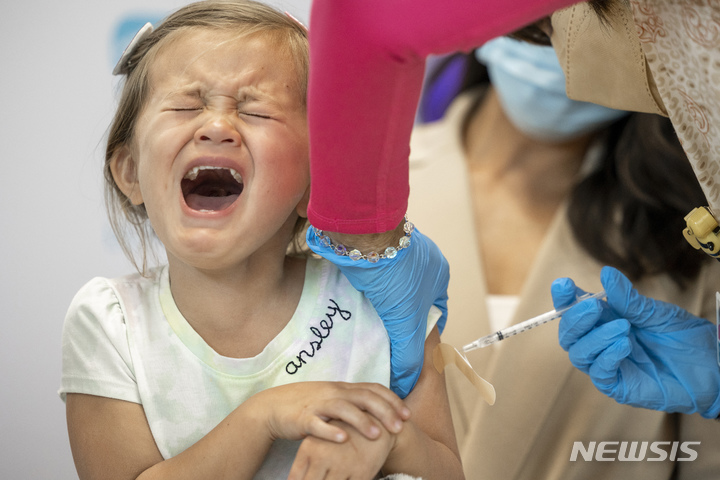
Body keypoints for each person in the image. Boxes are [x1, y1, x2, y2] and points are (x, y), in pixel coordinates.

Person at [58, 2, 462, 479]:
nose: (216, 126)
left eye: (257, 111)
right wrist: (263, 417)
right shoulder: (109, 324)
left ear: (315, 184)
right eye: (186, 105)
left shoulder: (377, 308)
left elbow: (449, 470)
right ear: (130, 173)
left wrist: (390, 438)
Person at [305, 0, 720, 416]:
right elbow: (365, 14)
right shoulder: (384, 182)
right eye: (545, 30)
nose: (557, 57)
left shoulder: (672, 229)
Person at [406, 36, 720, 479]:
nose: (560, 38)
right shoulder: (359, 197)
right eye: (542, 16)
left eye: (595, 14)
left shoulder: (691, 239)